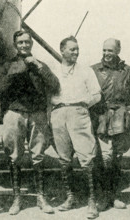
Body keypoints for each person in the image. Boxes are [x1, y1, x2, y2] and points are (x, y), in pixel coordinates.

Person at [0, 30, 60, 215]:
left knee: (38, 155)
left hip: (37, 114)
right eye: (20, 43)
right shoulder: (8, 65)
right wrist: (17, 71)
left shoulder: (40, 64)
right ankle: (17, 198)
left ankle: (41, 196)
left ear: (32, 44)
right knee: (14, 155)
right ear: (15, 45)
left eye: (27, 42)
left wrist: (38, 66)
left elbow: (54, 85)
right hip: (14, 114)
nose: (24, 45)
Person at [50, 36, 101, 219]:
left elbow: (96, 95)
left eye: (77, 49)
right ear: (62, 50)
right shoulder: (52, 70)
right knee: (64, 158)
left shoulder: (86, 71)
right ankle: (70, 197)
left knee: (86, 157)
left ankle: (92, 201)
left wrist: (83, 104)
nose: (76, 52)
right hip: (58, 114)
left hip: (79, 113)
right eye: (72, 49)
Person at [90, 38, 130, 210]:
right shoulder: (93, 70)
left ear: (118, 51)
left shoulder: (128, 71)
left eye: (110, 51)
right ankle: (102, 196)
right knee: (104, 157)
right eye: (104, 50)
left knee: (117, 158)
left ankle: (114, 196)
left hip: (121, 118)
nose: (106, 54)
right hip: (101, 117)